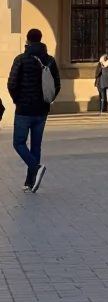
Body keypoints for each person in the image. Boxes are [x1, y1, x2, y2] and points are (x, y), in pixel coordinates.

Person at [7, 27, 61, 194]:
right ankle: (31, 182)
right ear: (40, 39)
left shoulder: (21, 59)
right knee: (36, 146)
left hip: (24, 109)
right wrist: (48, 100)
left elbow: (12, 83)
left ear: (28, 41)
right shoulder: (50, 60)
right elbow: (57, 85)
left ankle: (35, 169)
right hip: (42, 110)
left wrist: (17, 99)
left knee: (18, 143)